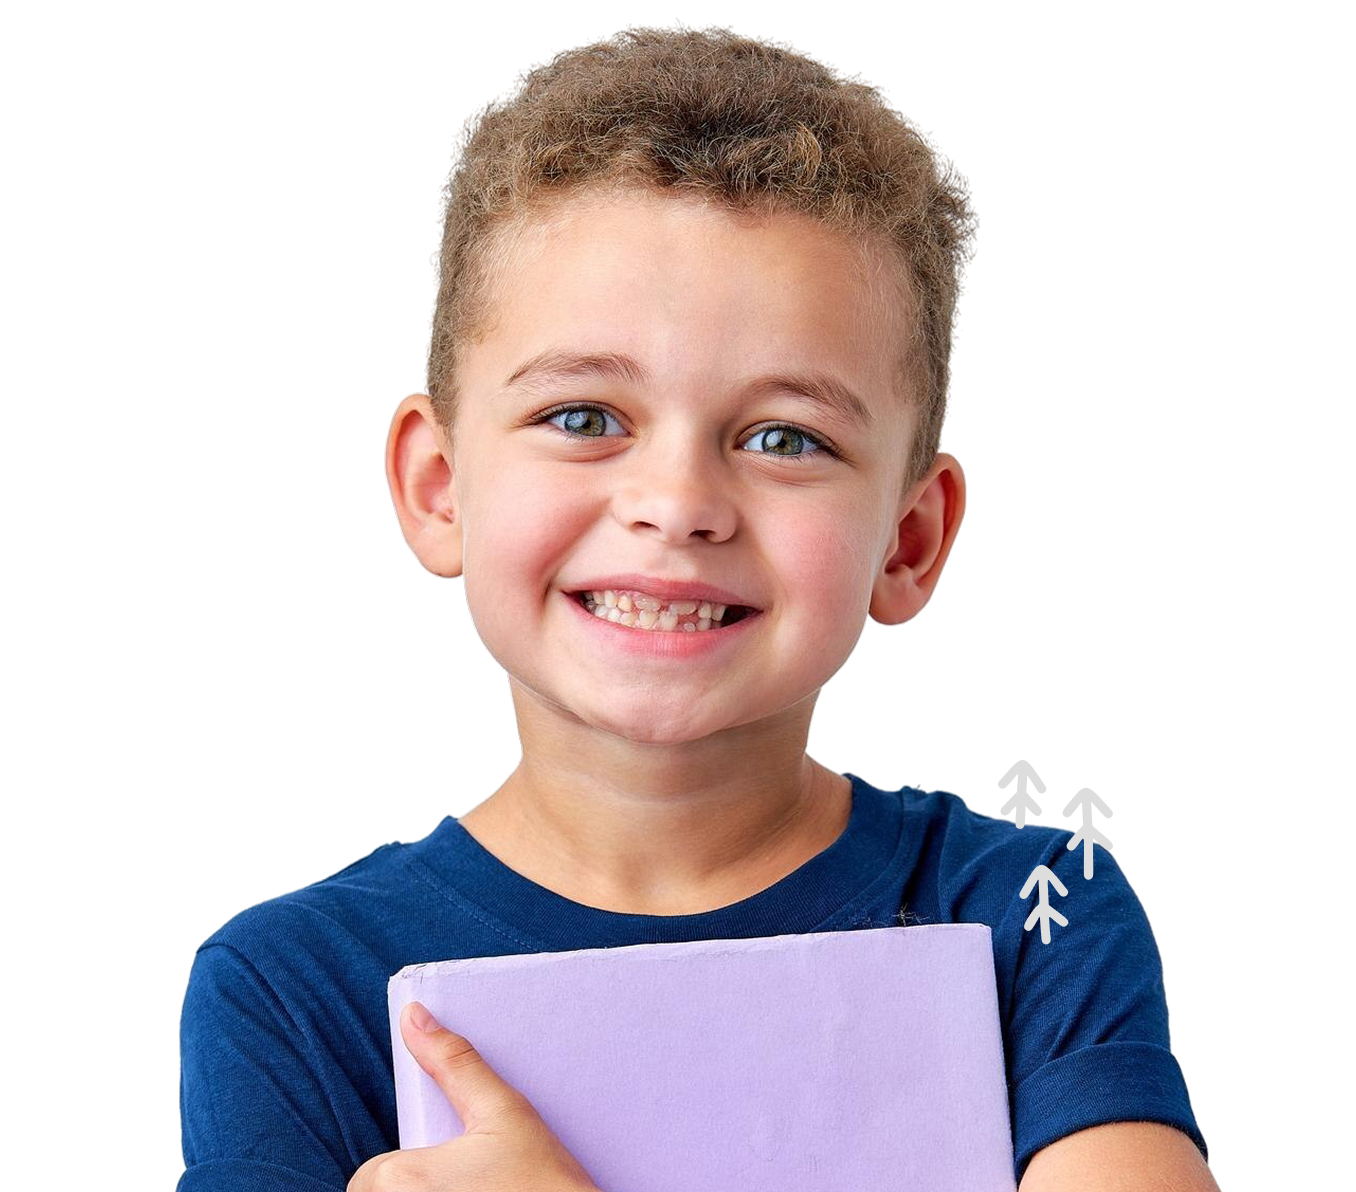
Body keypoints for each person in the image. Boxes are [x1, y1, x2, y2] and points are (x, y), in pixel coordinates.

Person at [179, 22, 1218, 1192]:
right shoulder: (288, 986)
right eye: (583, 417)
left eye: (785, 437)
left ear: (911, 540)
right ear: (438, 487)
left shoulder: (1039, 920)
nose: (676, 505)